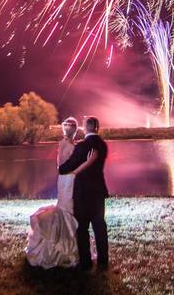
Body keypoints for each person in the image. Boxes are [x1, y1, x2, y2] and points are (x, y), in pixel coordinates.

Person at [24, 117, 97, 268]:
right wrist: (88, 163)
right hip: (70, 179)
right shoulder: (71, 146)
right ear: (75, 130)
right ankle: (68, 249)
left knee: (65, 208)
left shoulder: (62, 143)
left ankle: (62, 245)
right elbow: (70, 166)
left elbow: (60, 166)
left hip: (63, 180)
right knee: (69, 209)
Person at [58, 115, 108, 271]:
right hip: (98, 191)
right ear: (97, 127)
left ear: (86, 128)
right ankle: (103, 261)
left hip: (83, 193)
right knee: (100, 226)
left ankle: (85, 262)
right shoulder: (103, 145)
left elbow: (64, 168)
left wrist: (67, 167)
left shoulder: (81, 147)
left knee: (82, 228)